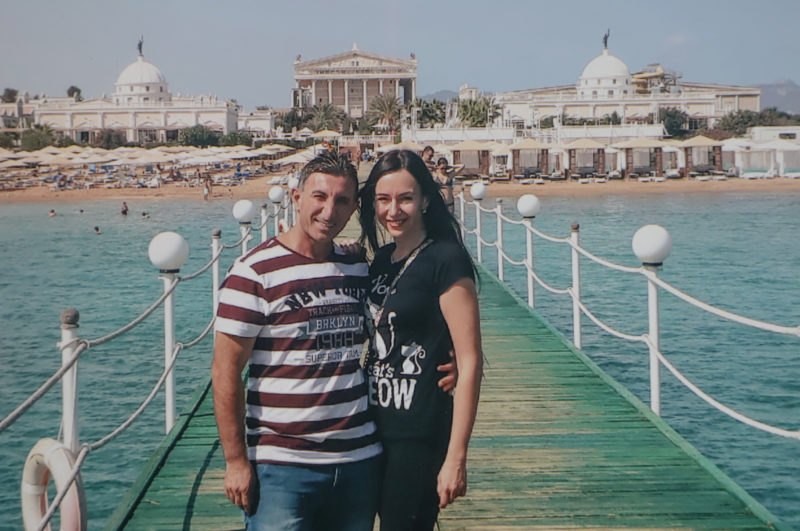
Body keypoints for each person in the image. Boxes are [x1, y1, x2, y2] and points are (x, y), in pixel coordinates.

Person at [212, 151, 382, 530]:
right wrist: (236, 461)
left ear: (354, 208)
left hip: (358, 459)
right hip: (283, 464)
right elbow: (225, 371)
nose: (329, 211)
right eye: (319, 197)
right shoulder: (254, 273)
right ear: (297, 197)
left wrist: (449, 355)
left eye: (342, 201)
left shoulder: (357, 267)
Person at [359, 149, 483, 530]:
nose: (393, 210)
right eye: (383, 199)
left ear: (425, 200)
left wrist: (456, 457)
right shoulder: (381, 261)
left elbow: (470, 360)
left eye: (405, 198)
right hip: (369, 429)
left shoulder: (446, 260)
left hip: (418, 435)